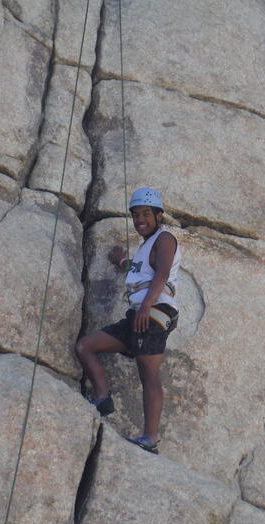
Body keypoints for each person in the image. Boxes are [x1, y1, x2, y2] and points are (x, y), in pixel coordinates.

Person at [75, 187, 181, 454]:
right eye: (135, 215)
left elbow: (162, 274)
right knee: (85, 346)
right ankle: (102, 398)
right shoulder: (147, 245)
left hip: (153, 313)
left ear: (159, 216)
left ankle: (150, 438)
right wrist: (122, 260)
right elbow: (139, 271)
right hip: (138, 315)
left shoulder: (165, 238)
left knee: (149, 373)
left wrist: (146, 305)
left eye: (146, 213)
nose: (139, 220)